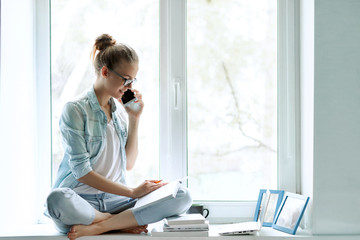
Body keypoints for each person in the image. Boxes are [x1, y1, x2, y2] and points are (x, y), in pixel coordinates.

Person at [45, 34, 192, 240]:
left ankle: (100, 226)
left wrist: (134, 118)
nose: (129, 87)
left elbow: (128, 164)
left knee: (182, 196)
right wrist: (132, 192)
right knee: (57, 199)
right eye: (126, 80)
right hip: (82, 201)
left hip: (116, 201)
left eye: (133, 80)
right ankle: (116, 222)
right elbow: (82, 172)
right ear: (105, 72)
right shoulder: (75, 110)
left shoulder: (119, 113)